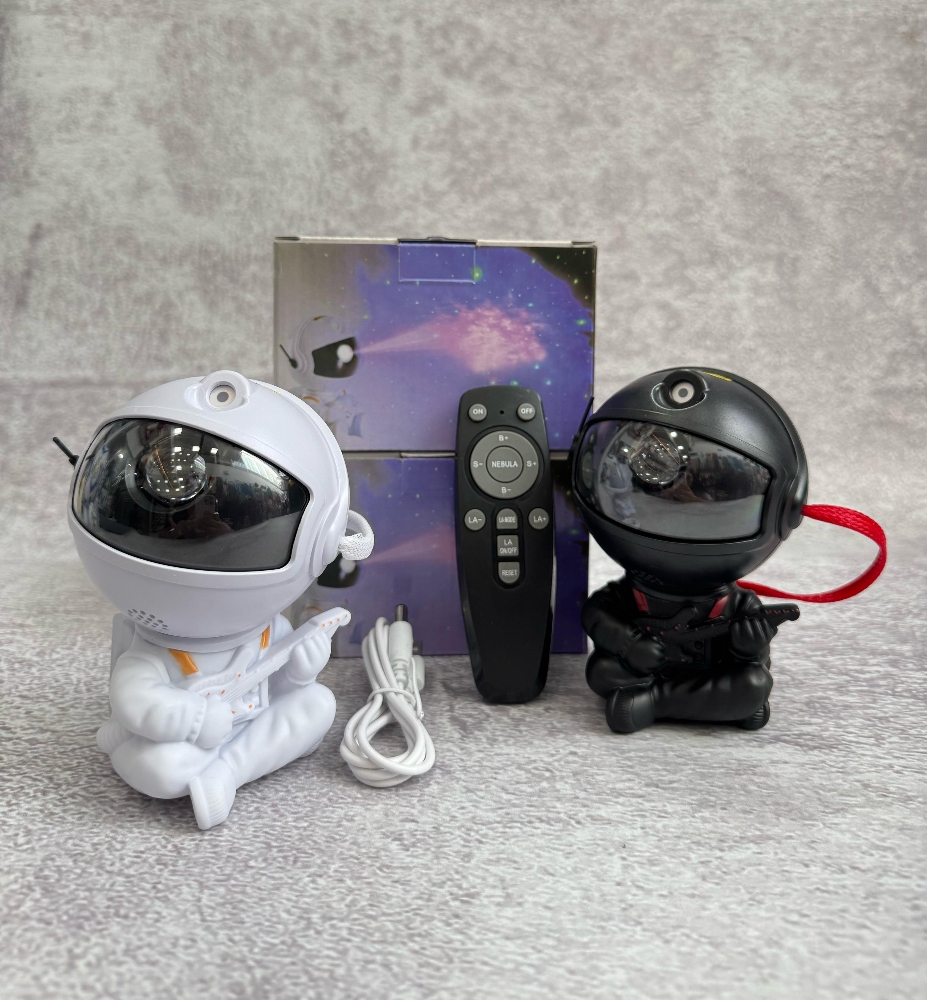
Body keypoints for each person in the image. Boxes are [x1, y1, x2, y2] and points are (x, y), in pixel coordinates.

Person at [67, 370, 373, 828]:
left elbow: (286, 687)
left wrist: (301, 667)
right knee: (163, 769)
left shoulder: (269, 627)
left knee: (318, 705)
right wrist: (192, 721)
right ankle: (178, 758)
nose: (195, 530)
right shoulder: (154, 650)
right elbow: (136, 700)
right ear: (325, 541)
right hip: (183, 739)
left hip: (249, 724)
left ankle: (227, 772)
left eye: (211, 517)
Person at [572, 368, 807, 733]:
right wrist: (629, 645)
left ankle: (653, 702)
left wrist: (748, 647)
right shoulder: (629, 594)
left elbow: (753, 661)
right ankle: (716, 707)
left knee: (753, 683)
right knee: (602, 671)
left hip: (688, 675)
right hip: (644, 666)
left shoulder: (737, 605)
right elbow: (596, 614)